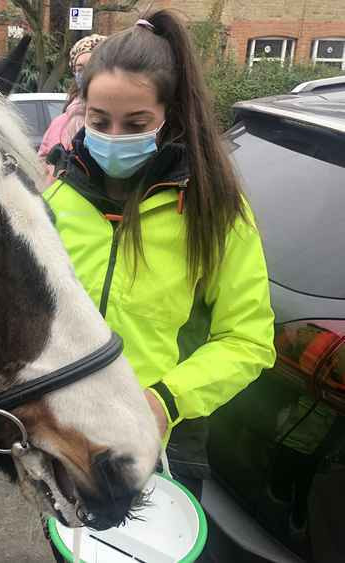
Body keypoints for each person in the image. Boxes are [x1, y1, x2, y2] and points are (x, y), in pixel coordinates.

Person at [43, 10, 276, 560]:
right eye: (99, 121)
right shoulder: (53, 202)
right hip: (67, 442)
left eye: (135, 122)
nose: (113, 137)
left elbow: (249, 339)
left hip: (163, 445)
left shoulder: (214, 212)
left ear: (169, 117)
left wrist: (164, 401)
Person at [37, 33, 106, 160]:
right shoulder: (60, 123)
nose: (86, 74)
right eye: (80, 69)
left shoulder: (117, 121)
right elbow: (42, 165)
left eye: (93, 66)